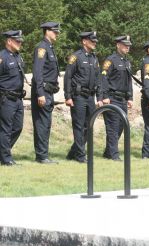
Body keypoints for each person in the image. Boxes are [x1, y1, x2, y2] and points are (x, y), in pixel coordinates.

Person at [64, 31, 103, 163]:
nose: (95, 43)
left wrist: (100, 97)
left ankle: (73, 152)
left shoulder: (94, 58)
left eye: (95, 41)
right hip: (78, 96)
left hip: (90, 97)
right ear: (84, 41)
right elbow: (68, 77)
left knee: (89, 126)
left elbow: (98, 79)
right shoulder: (76, 57)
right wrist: (68, 96)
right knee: (79, 126)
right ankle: (80, 155)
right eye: (92, 41)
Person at [31, 22, 60, 164]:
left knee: (46, 124)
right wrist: (40, 93)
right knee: (42, 124)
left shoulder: (50, 48)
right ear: (47, 31)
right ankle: (41, 156)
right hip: (43, 92)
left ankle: (44, 155)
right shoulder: (42, 48)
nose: (57, 34)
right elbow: (37, 73)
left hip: (49, 91)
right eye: (55, 31)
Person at [102, 35, 133, 161]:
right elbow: (103, 78)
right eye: (125, 45)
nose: (127, 47)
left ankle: (108, 152)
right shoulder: (110, 60)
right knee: (113, 127)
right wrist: (104, 96)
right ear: (118, 45)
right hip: (112, 98)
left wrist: (130, 97)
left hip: (123, 100)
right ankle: (114, 155)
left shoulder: (127, 62)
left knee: (121, 126)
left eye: (129, 45)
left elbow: (129, 81)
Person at [0, 30, 25, 166]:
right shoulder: (2, 57)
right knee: (6, 128)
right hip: (6, 98)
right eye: (17, 41)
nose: (20, 43)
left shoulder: (17, 57)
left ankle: (3, 152)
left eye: (20, 41)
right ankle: (6, 158)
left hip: (18, 99)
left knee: (18, 127)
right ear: (9, 41)